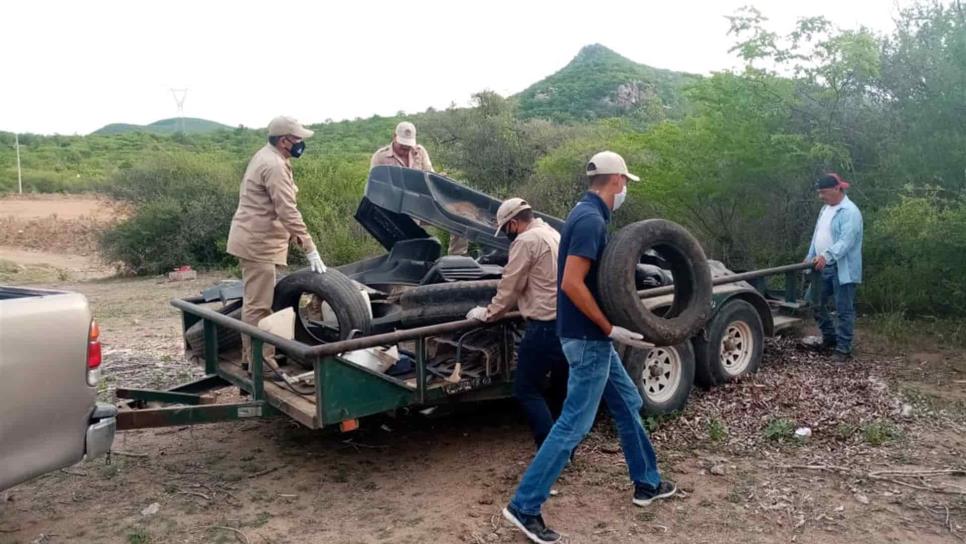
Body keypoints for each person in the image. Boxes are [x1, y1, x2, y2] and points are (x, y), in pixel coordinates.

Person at [502, 151, 676, 544]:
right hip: (587, 338)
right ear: (616, 181)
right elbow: (572, 283)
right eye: (626, 183)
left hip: (590, 338)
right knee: (573, 424)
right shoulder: (589, 220)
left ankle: (647, 482)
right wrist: (608, 326)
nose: (625, 189)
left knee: (628, 401)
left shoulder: (587, 214)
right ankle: (524, 506)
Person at [465, 198, 567, 448]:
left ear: (513, 223)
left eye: (506, 230)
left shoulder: (525, 241)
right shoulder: (553, 233)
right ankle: (566, 449)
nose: (506, 236)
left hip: (543, 326)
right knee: (559, 390)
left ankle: (549, 451)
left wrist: (487, 314)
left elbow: (510, 286)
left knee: (526, 390)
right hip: (566, 323)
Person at [227, 116, 326, 371]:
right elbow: (287, 210)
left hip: (258, 239)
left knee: (256, 303)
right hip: (257, 243)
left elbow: (274, 206)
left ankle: (253, 359)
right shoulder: (274, 165)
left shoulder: (271, 157)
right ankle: (262, 365)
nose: (301, 143)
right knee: (258, 307)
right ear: (284, 141)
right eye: (298, 139)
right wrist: (310, 248)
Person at [370, 121, 468, 256]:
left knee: (460, 216)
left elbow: (430, 176)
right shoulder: (380, 157)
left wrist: (439, 178)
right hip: (398, 209)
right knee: (409, 231)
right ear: (394, 137)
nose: (405, 150)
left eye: (408, 146)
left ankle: (458, 259)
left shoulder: (420, 152)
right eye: (402, 146)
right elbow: (375, 187)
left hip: (423, 204)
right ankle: (410, 261)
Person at [804, 173, 863, 362]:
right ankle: (830, 338)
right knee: (813, 301)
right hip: (822, 266)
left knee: (843, 309)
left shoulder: (850, 212)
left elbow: (846, 241)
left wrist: (827, 255)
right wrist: (810, 255)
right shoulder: (825, 209)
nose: (821, 196)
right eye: (819, 192)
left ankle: (843, 349)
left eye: (824, 192)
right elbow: (817, 235)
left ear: (837, 189)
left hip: (841, 267)